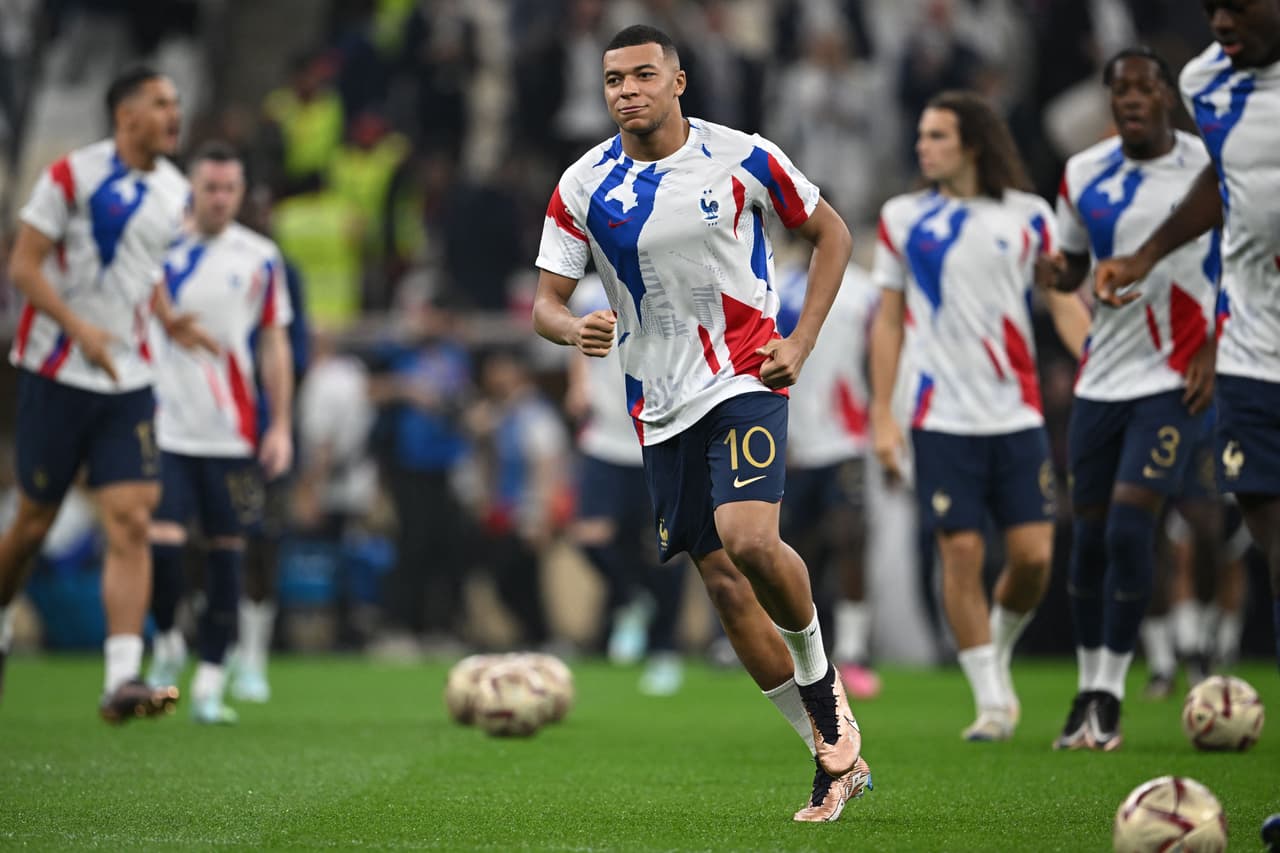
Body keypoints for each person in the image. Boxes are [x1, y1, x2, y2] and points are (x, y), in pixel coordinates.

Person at [532, 24, 868, 823]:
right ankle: (829, 755)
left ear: (679, 81)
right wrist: (568, 329)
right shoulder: (582, 185)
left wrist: (803, 338)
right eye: (613, 79)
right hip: (658, 400)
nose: (626, 91)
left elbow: (833, 235)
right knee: (722, 581)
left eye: (643, 75)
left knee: (750, 537)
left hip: (746, 373)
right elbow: (546, 300)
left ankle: (828, 697)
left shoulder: (743, 155)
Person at [869, 90, 1089, 743]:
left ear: (972, 143)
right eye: (922, 135)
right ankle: (992, 700)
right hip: (939, 414)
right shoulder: (902, 217)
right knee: (960, 551)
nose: (923, 146)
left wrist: (1098, 362)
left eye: (936, 135)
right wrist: (883, 415)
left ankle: (994, 646)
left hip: (1016, 413)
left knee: (1032, 558)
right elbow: (888, 322)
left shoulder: (1028, 215)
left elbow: (1063, 303)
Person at [0, 66, 211, 721]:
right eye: (160, 103)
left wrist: (168, 314)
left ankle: (122, 674)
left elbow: (141, 269)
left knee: (132, 517)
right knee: (33, 522)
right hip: (56, 373)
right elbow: (24, 266)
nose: (174, 114)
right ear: (125, 116)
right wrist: (78, 329)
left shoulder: (175, 190)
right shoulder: (71, 175)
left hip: (129, 380)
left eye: (177, 102)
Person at [1039, 48, 1220, 750]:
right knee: (1084, 542)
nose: (1133, 101)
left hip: (1173, 379)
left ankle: (1112, 691)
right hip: (1100, 378)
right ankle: (1086, 686)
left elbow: (1244, 257)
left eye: (1145, 88)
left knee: (1126, 528)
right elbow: (1077, 259)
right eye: (1121, 92)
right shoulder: (1085, 172)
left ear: (1167, 95)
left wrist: (1214, 343)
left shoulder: (1208, 168)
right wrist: (1060, 271)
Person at [1095, 1, 1280, 674]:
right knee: (1262, 529)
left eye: (1238, 6)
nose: (1222, 20)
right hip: (1253, 346)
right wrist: (1147, 254)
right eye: (1211, 8)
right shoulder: (1206, 81)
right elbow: (1229, 177)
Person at [144, 142, 294, 724]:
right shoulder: (158, 251)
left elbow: (273, 343)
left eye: (230, 189)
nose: (220, 198)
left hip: (233, 432)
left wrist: (279, 424)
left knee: (230, 553)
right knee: (162, 542)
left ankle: (209, 683)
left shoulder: (260, 258)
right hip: (164, 425)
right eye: (210, 188)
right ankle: (166, 644)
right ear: (192, 190)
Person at [565, 273, 688, 696]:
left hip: (659, 434)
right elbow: (579, 346)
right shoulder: (589, 291)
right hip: (605, 435)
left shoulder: (668, 276)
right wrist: (577, 385)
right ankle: (634, 599)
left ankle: (665, 649)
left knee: (666, 551)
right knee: (591, 538)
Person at [775, 247, 881, 699]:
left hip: (845, 438)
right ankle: (804, 658)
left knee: (849, 536)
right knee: (796, 550)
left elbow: (880, 358)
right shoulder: (774, 286)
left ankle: (854, 651)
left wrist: (884, 423)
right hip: (789, 440)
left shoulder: (864, 291)